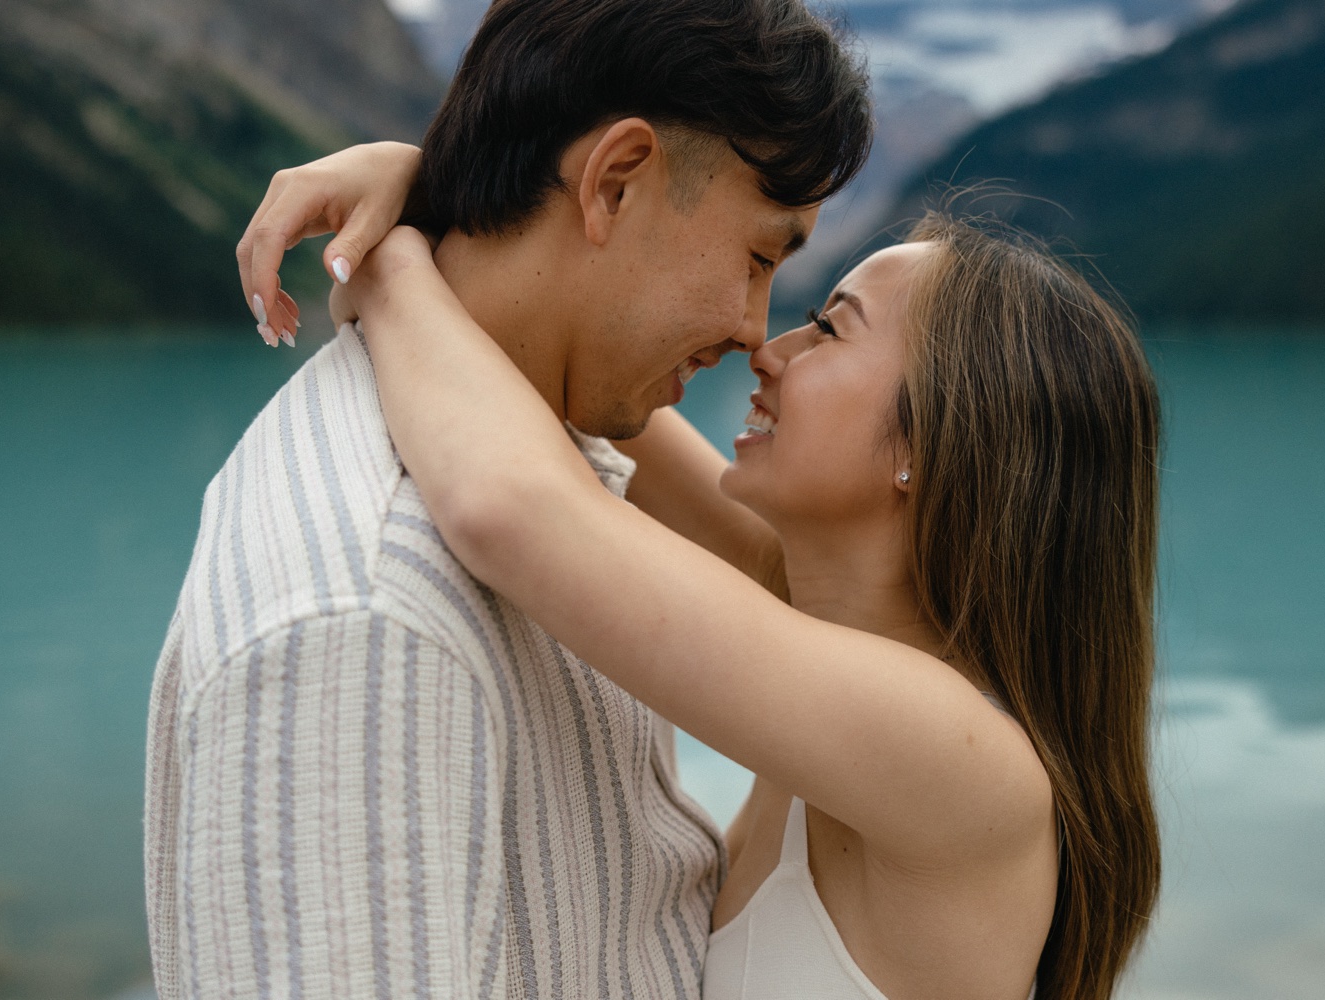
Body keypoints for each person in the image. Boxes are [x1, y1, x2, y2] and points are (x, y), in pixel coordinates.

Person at [143, 1, 871, 996]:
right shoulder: (366, 623)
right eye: (758, 257)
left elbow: (789, 575)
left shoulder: (556, 433)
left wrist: (422, 229)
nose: (757, 329)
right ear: (615, 181)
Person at [261, 212, 1163, 999]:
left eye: (828, 331)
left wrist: (388, 269)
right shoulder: (818, 620)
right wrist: (435, 196)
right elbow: (587, 373)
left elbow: (512, 507)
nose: (768, 351)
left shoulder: (955, 758)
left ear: (930, 444)